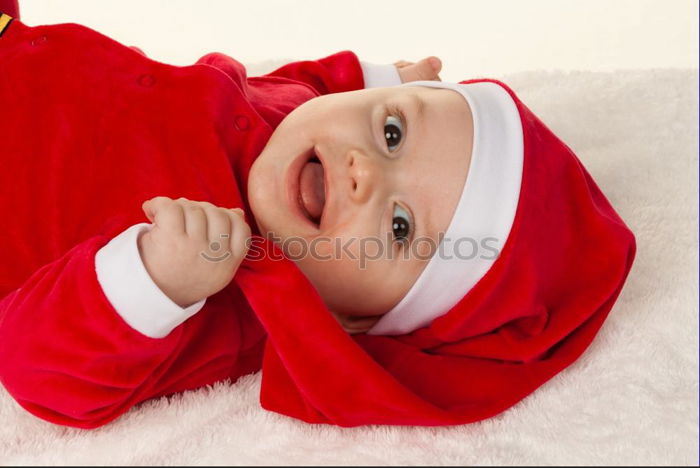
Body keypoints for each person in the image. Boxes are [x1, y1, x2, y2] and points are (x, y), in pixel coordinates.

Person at [0, 9, 635, 429]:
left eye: (400, 229)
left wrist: (152, 281)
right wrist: (384, 78)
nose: (364, 171)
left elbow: (39, 374)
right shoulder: (296, 123)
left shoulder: (230, 303)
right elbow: (310, 89)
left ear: (350, 318)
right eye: (392, 131)